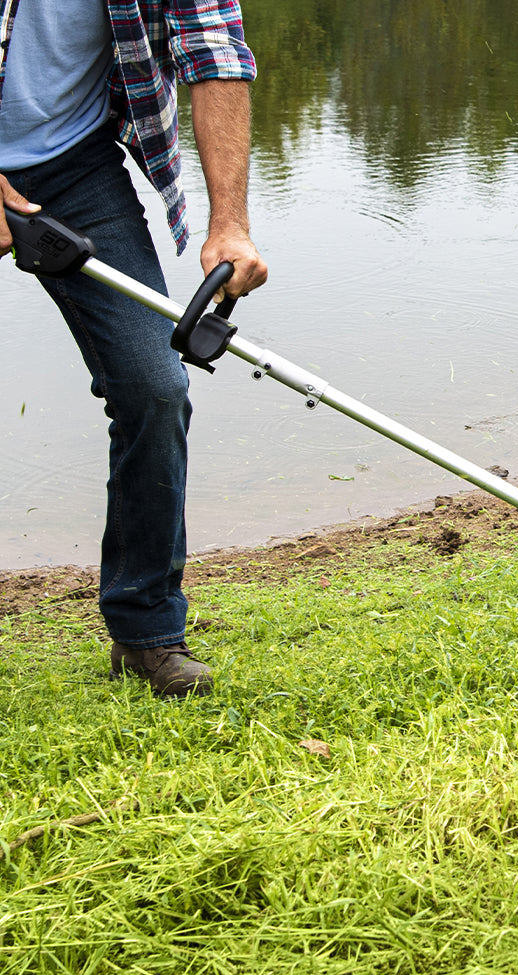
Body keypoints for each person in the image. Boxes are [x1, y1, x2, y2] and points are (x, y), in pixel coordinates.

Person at [0, 1, 267, 696]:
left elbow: (213, 50)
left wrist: (230, 224)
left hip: (73, 163)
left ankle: (146, 630)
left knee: (154, 385)